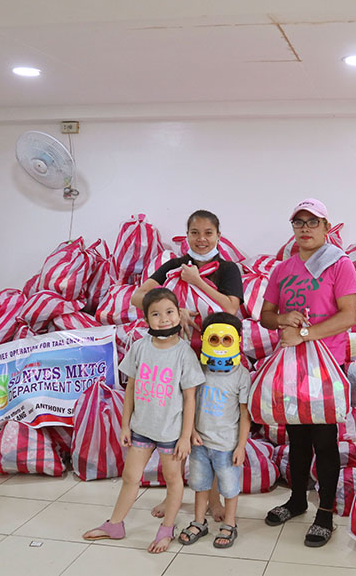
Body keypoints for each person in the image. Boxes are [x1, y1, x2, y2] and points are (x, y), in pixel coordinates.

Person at [132, 209, 244, 522]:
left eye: (208, 232)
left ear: (219, 236)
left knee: (210, 431)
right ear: (187, 236)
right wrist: (172, 309)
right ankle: (175, 497)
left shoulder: (227, 269)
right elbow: (138, 297)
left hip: (214, 363)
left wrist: (196, 281)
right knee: (179, 432)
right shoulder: (173, 266)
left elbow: (231, 308)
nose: (202, 239)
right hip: (177, 358)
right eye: (195, 232)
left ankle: (215, 500)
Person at [260, 198, 356, 547]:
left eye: (312, 222)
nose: (305, 228)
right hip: (292, 364)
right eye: (298, 222)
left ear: (326, 228)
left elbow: (348, 316)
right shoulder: (283, 269)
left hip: (326, 366)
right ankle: (298, 500)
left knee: (324, 439)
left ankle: (326, 513)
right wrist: (284, 319)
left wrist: (303, 333)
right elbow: (266, 315)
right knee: (297, 438)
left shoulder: (339, 265)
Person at [83, 288, 205, 553]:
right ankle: (115, 524)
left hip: (171, 432)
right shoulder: (139, 347)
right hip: (141, 428)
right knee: (130, 477)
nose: (164, 319)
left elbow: (190, 399)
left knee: (173, 480)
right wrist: (126, 424)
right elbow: (130, 389)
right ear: (146, 319)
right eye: (156, 314)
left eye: (170, 312)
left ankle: (166, 530)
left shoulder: (184, 353)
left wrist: (185, 436)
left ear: (178, 313)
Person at [178, 312, 251, 549]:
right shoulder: (200, 369)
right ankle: (199, 521)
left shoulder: (241, 375)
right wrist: (191, 432)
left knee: (229, 487)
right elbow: (190, 402)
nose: (220, 345)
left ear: (237, 340)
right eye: (214, 339)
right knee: (200, 484)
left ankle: (230, 524)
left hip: (227, 446)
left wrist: (241, 446)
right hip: (200, 442)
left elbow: (244, 414)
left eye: (227, 340)